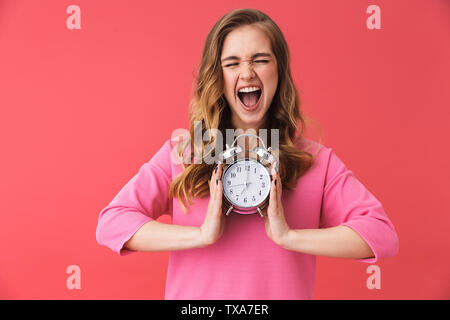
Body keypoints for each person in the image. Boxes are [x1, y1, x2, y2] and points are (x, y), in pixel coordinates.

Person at [96, 8, 399, 300]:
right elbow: (112, 223)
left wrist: (288, 236)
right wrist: (201, 235)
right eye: (232, 63)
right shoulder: (186, 153)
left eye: (260, 60)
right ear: (217, 77)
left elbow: (381, 234)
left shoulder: (314, 161)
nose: (247, 72)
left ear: (279, 70)